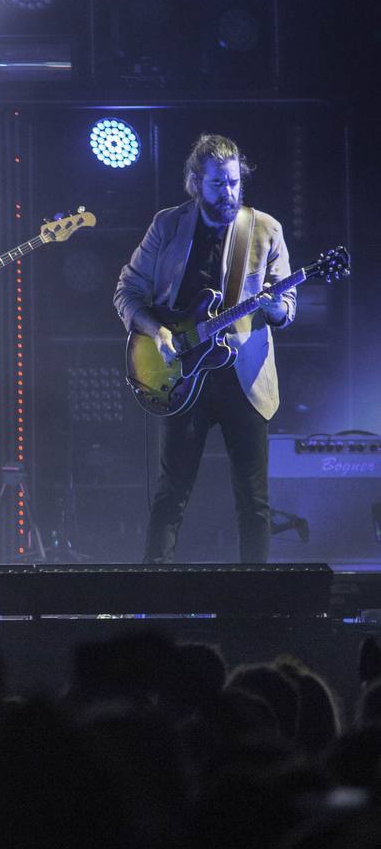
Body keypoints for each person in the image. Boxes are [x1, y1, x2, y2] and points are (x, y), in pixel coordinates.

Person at [114, 133, 295, 564]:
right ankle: (152, 602)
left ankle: (256, 608)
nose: (229, 193)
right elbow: (127, 292)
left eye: (234, 183)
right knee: (170, 495)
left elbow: (287, 309)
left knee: (254, 501)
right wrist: (158, 333)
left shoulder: (266, 229)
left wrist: (273, 308)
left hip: (244, 378)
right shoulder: (168, 225)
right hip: (179, 374)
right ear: (196, 182)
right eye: (218, 184)